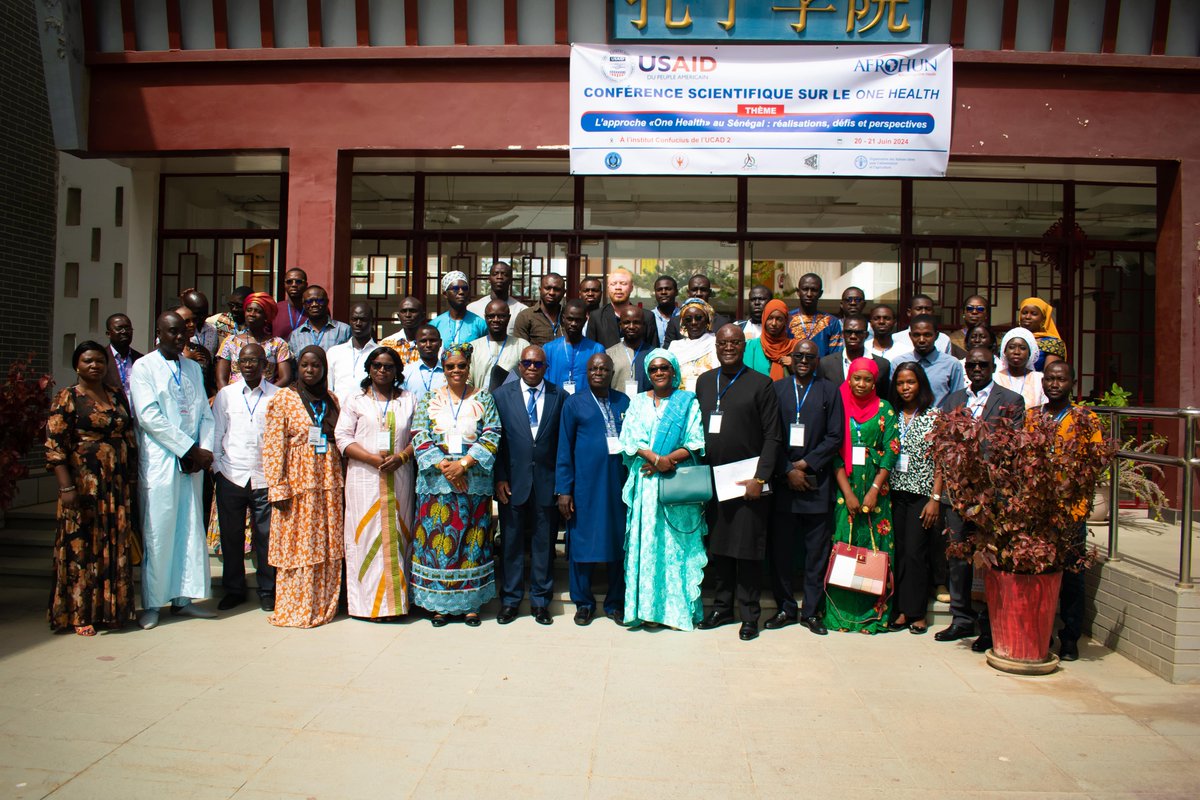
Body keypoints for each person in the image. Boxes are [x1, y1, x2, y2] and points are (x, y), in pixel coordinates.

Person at [695, 325, 782, 641]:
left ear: (743, 346)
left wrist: (761, 478)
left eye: (734, 342)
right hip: (713, 483)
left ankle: (749, 615)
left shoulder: (761, 384)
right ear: (715, 346)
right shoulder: (705, 383)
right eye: (723, 342)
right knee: (719, 549)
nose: (728, 347)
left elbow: (774, 436)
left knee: (746, 551)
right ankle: (721, 608)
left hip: (748, 484)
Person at [934, 347, 1025, 650]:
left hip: (991, 494)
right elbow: (943, 440)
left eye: (982, 364)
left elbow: (1011, 447)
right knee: (958, 557)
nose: (976, 369)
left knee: (989, 559)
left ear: (992, 366)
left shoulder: (1011, 401)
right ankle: (961, 619)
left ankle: (988, 623)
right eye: (971, 364)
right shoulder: (954, 399)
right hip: (956, 493)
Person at [130, 312, 216, 629]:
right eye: (172, 332)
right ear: (159, 333)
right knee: (159, 531)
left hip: (191, 463)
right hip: (162, 460)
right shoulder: (144, 367)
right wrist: (186, 448)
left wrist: (203, 451)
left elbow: (205, 414)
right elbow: (149, 416)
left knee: (190, 529)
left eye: (182, 333)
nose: (179, 338)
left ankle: (183, 600)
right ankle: (152, 603)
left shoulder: (193, 367)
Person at [46, 342, 139, 635]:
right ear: (77, 365)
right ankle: (79, 613)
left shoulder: (115, 394)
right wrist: (66, 487)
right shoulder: (68, 397)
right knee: (82, 547)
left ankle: (111, 610)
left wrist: (132, 478)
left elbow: (129, 435)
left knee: (113, 544)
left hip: (116, 485)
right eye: (88, 361)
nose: (95, 366)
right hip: (83, 486)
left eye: (100, 361)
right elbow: (55, 446)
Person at [410, 344, 502, 626]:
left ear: (469, 367)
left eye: (461, 366)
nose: (456, 371)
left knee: (472, 542)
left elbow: (493, 433)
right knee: (438, 544)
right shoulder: (428, 399)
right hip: (436, 484)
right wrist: (445, 466)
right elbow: (419, 434)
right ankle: (440, 605)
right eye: (450, 367)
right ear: (444, 369)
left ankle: (471, 604)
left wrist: (463, 465)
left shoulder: (483, 398)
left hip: (473, 482)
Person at [619, 349, 708, 630]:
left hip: (676, 485)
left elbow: (695, 441)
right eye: (654, 369)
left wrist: (668, 461)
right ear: (648, 373)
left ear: (673, 372)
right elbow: (630, 438)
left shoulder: (687, 403)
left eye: (665, 368)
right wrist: (657, 460)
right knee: (648, 547)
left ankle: (675, 612)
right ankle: (647, 610)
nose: (659, 372)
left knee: (675, 548)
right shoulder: (637, 403)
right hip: (646, 487)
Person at [263, 346, 345, 628]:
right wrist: (278, 485)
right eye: (305, 366)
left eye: (316, 366)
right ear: (297, 368)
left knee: (325, 543)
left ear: (324, 369)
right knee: (298, 545)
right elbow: (274, 445)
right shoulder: (284, 399)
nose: (310, 371)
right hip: (298, 482)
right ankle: (296, 608)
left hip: (329, 482)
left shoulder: (332, 399)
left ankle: (323, 605)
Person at [766, 339, 843, 636]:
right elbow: (769, 432)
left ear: (817, 360)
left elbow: (835, 436)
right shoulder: (778, 389)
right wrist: (786, 468)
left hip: (816, 483)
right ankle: (785, 607)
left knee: (816, 554)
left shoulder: (829, 390)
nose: (803, 360)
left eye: (809, 356)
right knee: (781, 552)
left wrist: (805, 465)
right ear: (791, 358)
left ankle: (811, 611)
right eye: (798, 355)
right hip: (783, 483)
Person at [335, 346, 417, 621]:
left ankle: (397, 604)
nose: (382, 370)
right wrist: (371, 458)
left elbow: (419, 436)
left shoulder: (408, 400)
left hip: (400, 478)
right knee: (366, 537)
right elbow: (343, 438)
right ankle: (367, 607)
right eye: (377, 365)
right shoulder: (355, 400)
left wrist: (403, 456)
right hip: (364, 479)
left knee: (398, 536)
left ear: (397, 371)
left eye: (388, 366)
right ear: (369, 368)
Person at [825, 357, 899, 634]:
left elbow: (891, 451)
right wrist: (849, 493)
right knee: (844, 545)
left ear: (875, 381)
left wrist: (873, 492)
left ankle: (872, 616)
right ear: (849, 377)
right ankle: (841, 616)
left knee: (874, 550)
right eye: (857, 378)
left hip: (876, 491)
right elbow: (833, 451)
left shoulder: (885, 409)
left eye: (868, 379)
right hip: (845, 487)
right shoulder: (839, 404)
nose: (861, 384)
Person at [492, 345, 566, 625]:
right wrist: (499, 477)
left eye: (538, 364)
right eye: (527, 363)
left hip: (547, 484)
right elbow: (496, 442)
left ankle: (540, 602)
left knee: (543, 545)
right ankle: (510, 601)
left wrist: (562, 484)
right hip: (512, 483)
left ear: (546, 367)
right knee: (510, 543)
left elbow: (562, 445)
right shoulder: (501, 396)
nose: (533, 368)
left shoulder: (560, 396)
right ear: (519, 367)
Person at [556, 353, 631, 625]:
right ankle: (584, 603)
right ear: (586, 372)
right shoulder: (574, 404)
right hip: (584, 487)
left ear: (612, 372)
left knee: (617, 543)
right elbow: (564, 448)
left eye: (604, 368)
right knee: (583, 543)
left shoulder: (624, 402)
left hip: (618, 487)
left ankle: (615, 603)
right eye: (593, 368)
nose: (598, 372)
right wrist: (564, 489)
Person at [1040, 360, 1100, 662]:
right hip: (1037, 510)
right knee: (1040, 574)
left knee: (1072, 576)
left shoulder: (1084, 419)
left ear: (1072, 383)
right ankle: (1042, 632)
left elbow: (1095, 463)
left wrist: (1071, 488)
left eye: (1060, 380)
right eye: (1049, 379)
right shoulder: (1033, 418)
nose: (1054, 384)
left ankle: (1070, 637)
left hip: (1071, 511)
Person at [211, 343, 278, 612]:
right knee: (231, 536)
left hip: (264, 476)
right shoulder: (226, 395)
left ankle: (267, 590)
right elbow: (217, 433)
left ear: (265, 365)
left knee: (266, 537)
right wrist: (217, 468)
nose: (249, 365)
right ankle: (234, 589)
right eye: (244, 361)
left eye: (254, 361)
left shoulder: (278, 395)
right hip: (231, 474)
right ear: (237, 365)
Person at [885, 362, 944, 635]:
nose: (905, 388)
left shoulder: (934, 417)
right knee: (897, 551)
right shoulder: (891, 415)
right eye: (900, 383)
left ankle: (917, 612)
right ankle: (899, 610)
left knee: (916, 553)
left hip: (921, 494)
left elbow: (941, 461)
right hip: (894, 492)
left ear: (920, 384)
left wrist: (935, 497)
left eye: (910, 382)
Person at [215, 293, 293, 388]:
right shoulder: (230, 342)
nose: (252, 314)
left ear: (266, 316)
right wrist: (229, 397)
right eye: (249, 310)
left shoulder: (278, 344)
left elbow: (285, 378)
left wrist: (267, 395)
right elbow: (221, 378)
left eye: (258, 311)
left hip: (266, 397)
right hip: (235, 398)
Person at [896, 314, 963, 406]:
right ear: (910, 336)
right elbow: (894, 398)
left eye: (927, 335)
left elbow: (957, 400)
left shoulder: (952, 364)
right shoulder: (898, 363)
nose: (922, 340)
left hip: (940, 419)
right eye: (916, 335)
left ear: (936, 335)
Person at [820, 314, 893, 398]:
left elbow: (883, 397)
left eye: (858, 333)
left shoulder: (882, 365)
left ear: (866, 335)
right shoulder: (826, 364)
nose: (853, 336)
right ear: (843, 334)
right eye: (848, 332)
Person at [586, 269, 659, 349]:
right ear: (608, 288)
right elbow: (591, 351)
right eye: (613, 284)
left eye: (623, 284)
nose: (618, 288)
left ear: (631, 288)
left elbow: (654, 351)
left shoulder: (647, 316)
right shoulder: (597, 317)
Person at [544, 299, 605, 394]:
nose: (573, 324)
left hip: (584, 405)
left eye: (578, 320)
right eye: (570, 319)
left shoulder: (596, 349)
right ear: (563, 319)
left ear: (585, 320)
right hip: (556, 403)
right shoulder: (549, 349)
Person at [468, 299, 529, 391]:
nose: (496, 320)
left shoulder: (522, 346)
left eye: (501, 316)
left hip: (510, 402)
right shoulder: (473, 347)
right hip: (479, 402)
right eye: (491, 316)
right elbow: (467, 381)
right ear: (485, 318)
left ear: (509, 318)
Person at [327, 302, 378, 403]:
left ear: (372, 322)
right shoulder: (334, 352)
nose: (358, 323)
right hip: (340, 413)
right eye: (354, 319)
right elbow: (328, 388)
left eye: (363, 319)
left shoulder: (380, 353)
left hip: (370, 414)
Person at [663, 274, 731, 345]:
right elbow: (667, 352)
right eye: (694, 290)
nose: (698, 294)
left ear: (710, 293)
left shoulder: (723, 323)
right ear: (688, 293)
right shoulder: (675, 322)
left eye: (703, 290)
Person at [667, 298, 718, 392]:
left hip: (708, 396)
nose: (693, 322)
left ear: (707, 320)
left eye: (698, 318)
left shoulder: (716, 343)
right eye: (688, 319)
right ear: (683, 323)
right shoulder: (674, 347)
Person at [788, 273, 842, 357]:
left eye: (814, 290)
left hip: (823, 369)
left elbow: (835, 357)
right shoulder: (786, 319)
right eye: (805, 289)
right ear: (798, 292)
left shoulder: (831, 322)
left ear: (820, 293)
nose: (809, 294)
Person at [466, 261, 528, 334]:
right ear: (489, 279)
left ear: (511, 280)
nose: (499, 277)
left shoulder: (521, 310)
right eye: (495, 274)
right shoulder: (473, 308)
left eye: (504, 274)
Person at [994, 327, 1047, 410]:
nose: (1016, 352)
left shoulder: (1039, 379)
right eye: (1011, 347)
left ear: (1030, 352)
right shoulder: (994, 378)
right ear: (1004, 351)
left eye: (1022, 348)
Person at [288, 285, 352, 354]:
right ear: (304, 305)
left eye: (319, 301)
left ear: (327, 302)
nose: (314, 304)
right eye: (309, 301)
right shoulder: (295, 336)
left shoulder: (344, 330)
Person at [431, 271, 487, 348]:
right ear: (445, 294)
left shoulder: (480, 324)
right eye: (455, 288)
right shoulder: (435, 324)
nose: (461, 292)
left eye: (464, 288)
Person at [890, 294, 954, 357]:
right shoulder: (896, 338)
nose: (923, 312)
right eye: (918, 309)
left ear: (933, 312)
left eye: (928, 309)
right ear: (909, 312)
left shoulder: (943, 339)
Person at [608, 306, 653, 396]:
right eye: (626, 322)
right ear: (620, 325)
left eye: (636, 322)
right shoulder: (609, 354)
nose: (631, 326)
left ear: (644, 325)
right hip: (618, 408)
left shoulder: (654, 354)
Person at [513, 273, 567, 347]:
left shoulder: (569, 316)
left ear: (564, 292)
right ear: (540, 290)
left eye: (557, 289)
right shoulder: (526, 316)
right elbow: (520, 349)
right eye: (547, 288)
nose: (551, 293)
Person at [744, 298, 793, 380]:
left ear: (785, 321)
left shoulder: (793, 347)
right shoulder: (751, 346)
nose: (774, 323)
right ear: (764, 319)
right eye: (770, 318)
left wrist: (794, 365)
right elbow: (746, 379)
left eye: (779, 319)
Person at [1018, 296, 1067, 370]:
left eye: (1034, 314)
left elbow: (1050, 375)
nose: (1028, 317)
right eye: (1024, 313)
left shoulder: (1052, 343)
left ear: (1044, 319)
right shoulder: (1013, 339)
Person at [379, 295, 427, 366]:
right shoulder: (386, 344)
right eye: (404, 311)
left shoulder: (431, 344)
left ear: (423, 316)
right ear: (398, 317)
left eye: (413, 311)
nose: (408, 315)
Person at [103, 313, 142, 401]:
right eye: (119, 328)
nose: (124, 332)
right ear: (108, 334)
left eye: (127, 328)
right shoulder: (100, 358)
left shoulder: (140, 360)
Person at [402, 325, 446, 398]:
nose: (428, 345)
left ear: (440, 343)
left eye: (432, 340)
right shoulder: (406, 372)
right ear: (416, 344)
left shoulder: (449, 372)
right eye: (423, 341)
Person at [273, 267, 308, 342]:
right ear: (284, 285)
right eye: (289, 282)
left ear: (306, 284)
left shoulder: (313, 309)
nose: (294, 285)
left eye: (298, 282)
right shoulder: (275, 309)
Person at [182, 289, 220, 357]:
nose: (202, 317)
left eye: (204, 312)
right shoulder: (178, 330)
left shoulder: (212, 330)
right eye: (197, 313)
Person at [650, 274, 679, 343]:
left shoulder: (684, 316)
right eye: (659, 290)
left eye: (668, 289)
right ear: (655, 293)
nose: (663, 292)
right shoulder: (649, 317)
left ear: (676, 292)